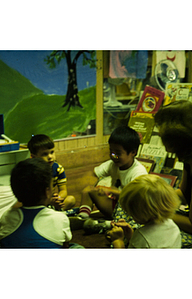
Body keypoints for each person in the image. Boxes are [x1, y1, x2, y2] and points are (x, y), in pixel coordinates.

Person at [0, 158, 83, 248]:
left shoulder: (7, 216)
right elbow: (65, 246)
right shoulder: (60, 218)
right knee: (75, 247)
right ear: (47, 192)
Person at [74, 126, 148, 232]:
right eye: (111, 152)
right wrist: (91, 183)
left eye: (118, 153)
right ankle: (82, 218)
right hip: (114, 206)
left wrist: (110, 190)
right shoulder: (112, 164)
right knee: (88, 190)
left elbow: (135, 199)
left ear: (133, 152)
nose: (113, 157)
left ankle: (108, 225)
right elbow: (93, 174)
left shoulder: (139, 172)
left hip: (130, 211)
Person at [154, 100, 192, 247]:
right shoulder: (187, 157)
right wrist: (150, 198)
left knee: (151, 234)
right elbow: (183, 192)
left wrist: (157, 212)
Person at [106, 174, 181, 248]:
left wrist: (118, 240)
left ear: (140, 214)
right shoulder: (173, 226)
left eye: (131, 213)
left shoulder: (141, 237)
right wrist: (131, 236)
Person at [27, 134, 76, 211]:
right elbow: (31, 196)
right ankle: (55, 212)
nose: (50, 157)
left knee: (71, 200)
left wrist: (58, 199)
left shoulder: (58, 169)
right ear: (33, 157)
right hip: (36, 202)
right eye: (45, 154)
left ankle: (53, 211)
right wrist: (49, 201)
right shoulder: (31, 171)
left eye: (52, 152)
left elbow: (63, 190)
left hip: (51, 200)